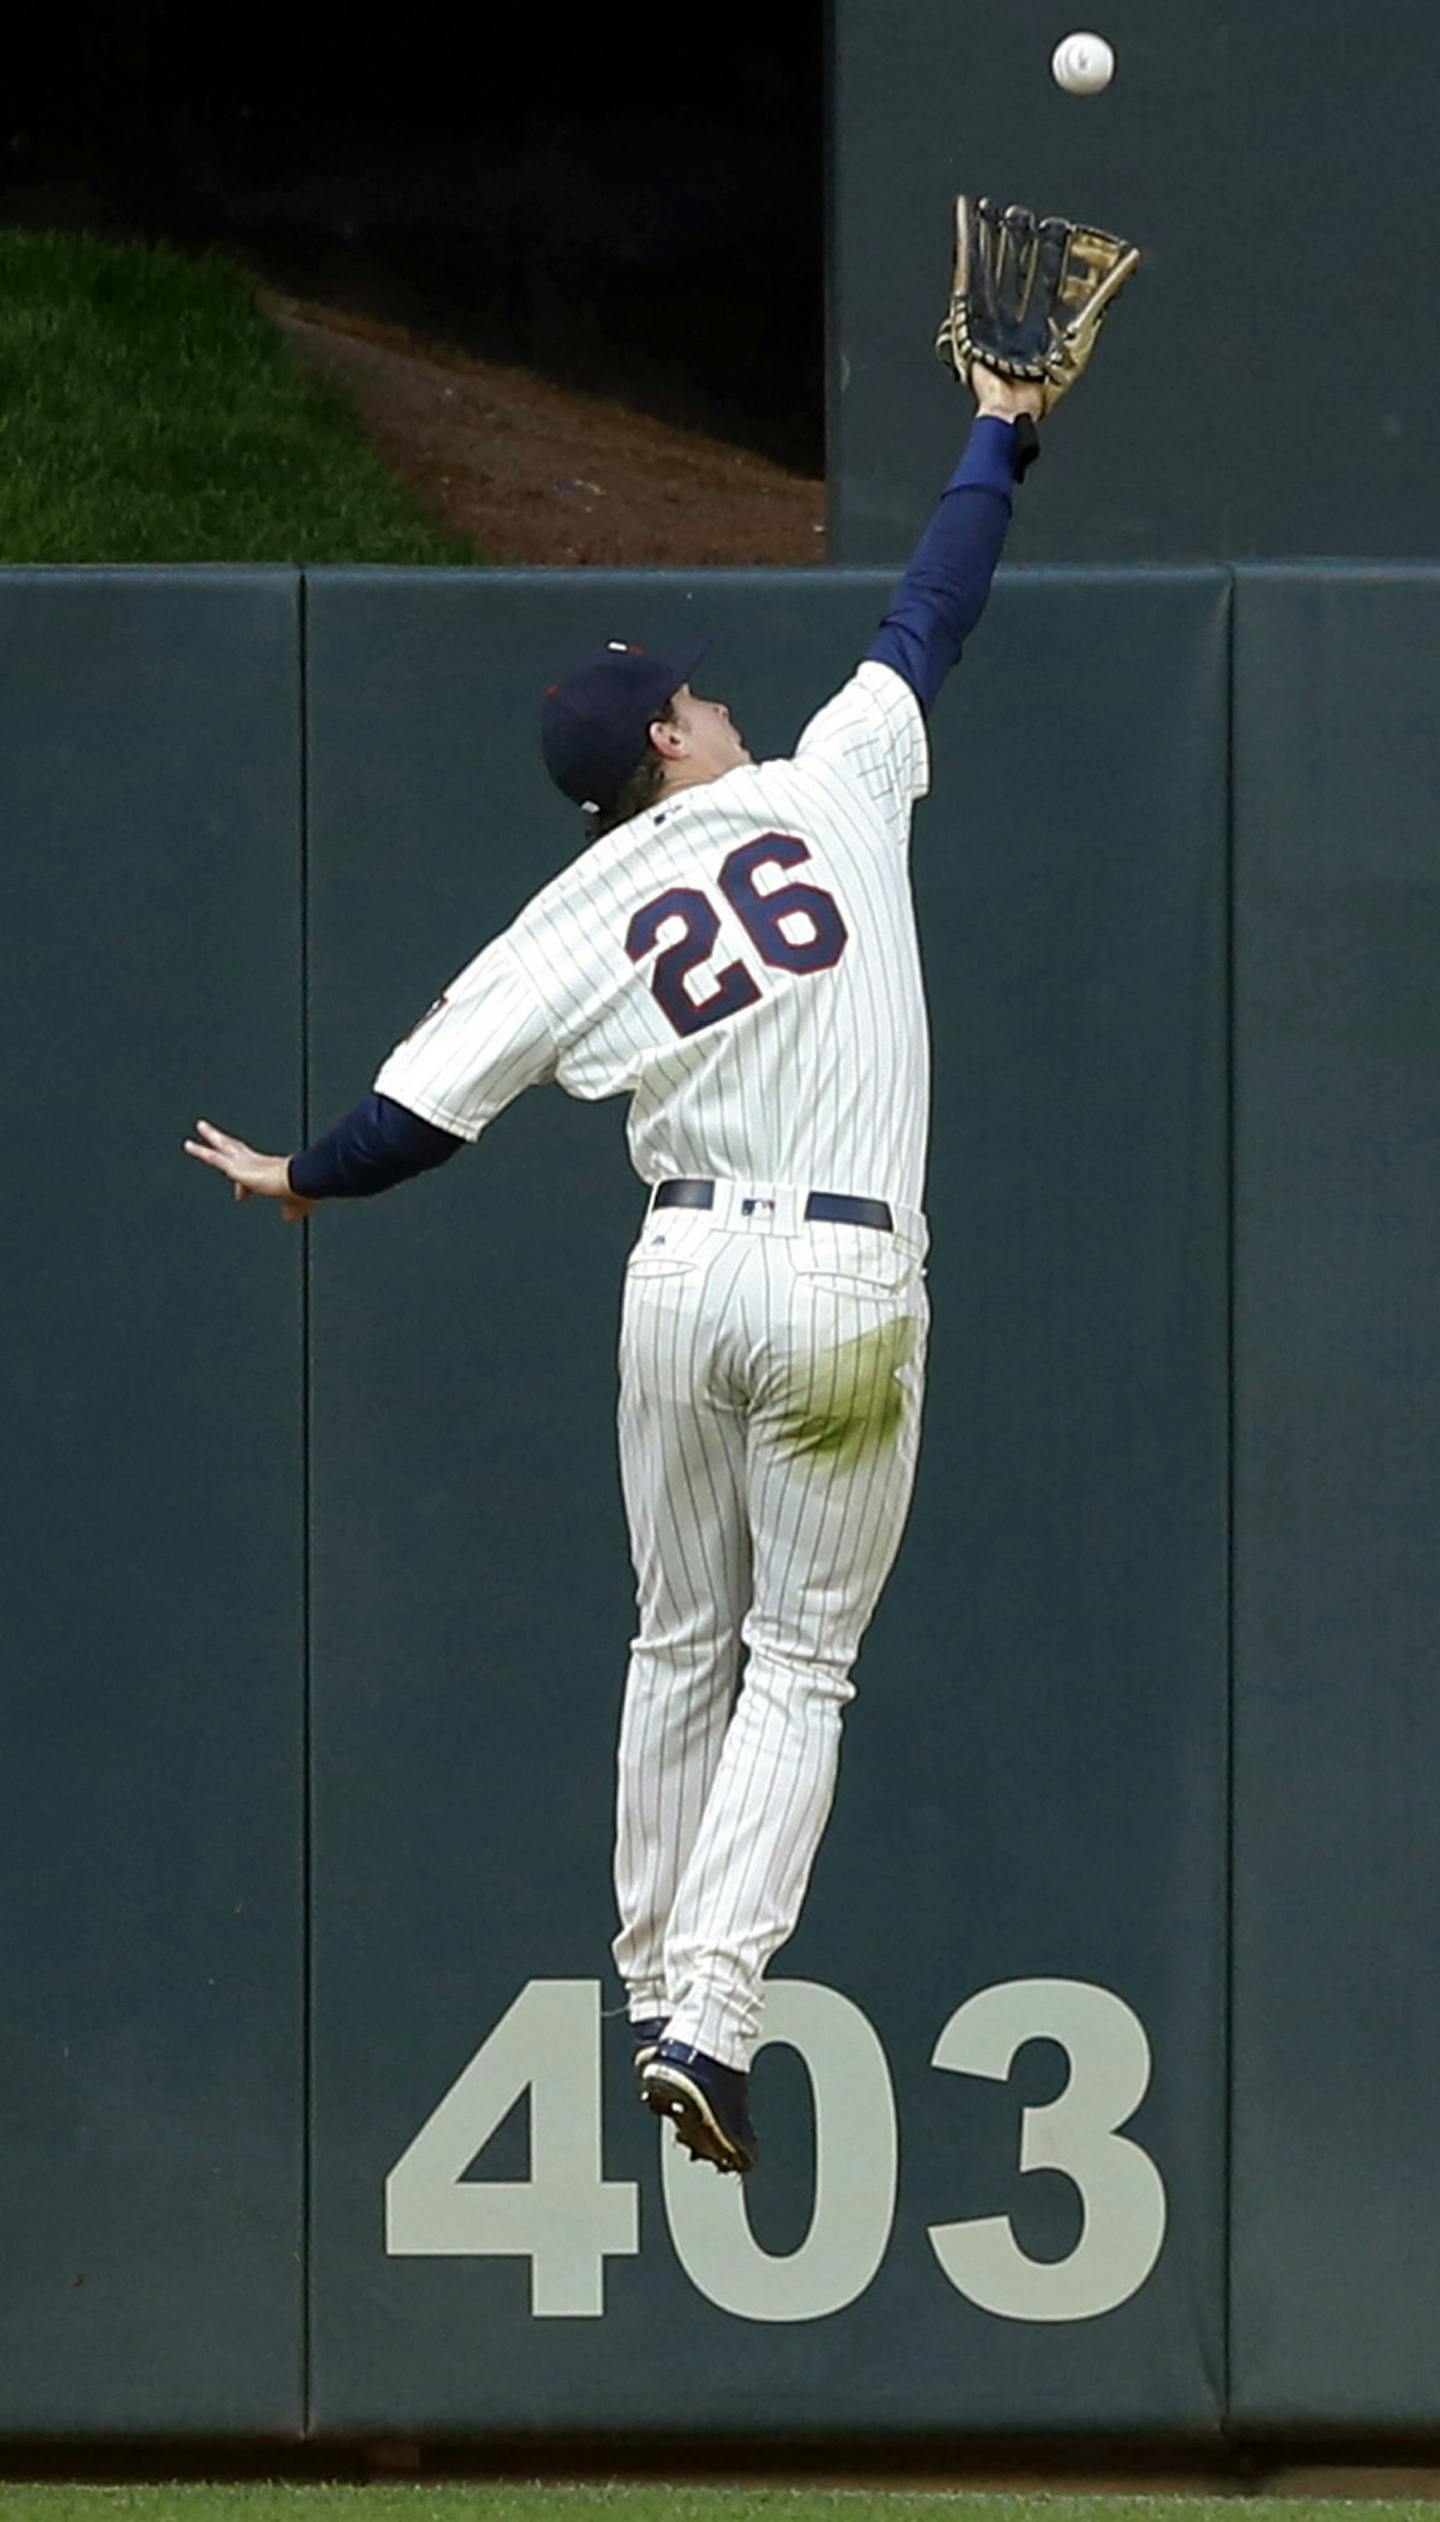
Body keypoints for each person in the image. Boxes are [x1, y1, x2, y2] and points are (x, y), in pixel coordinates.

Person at [185, 364, 1044, 2177]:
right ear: (666, 742)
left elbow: (432, 1102)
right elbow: (934, 606)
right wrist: (1000, 426)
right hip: (836, 1299)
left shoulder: (576, 912)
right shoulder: (835, 788)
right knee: (798, 1667)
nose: (715, 701)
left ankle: (658, 1992)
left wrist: (305, 1178)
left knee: (676, 1640)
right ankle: (714, 2022)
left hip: (678, 1284)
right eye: (690, 696)